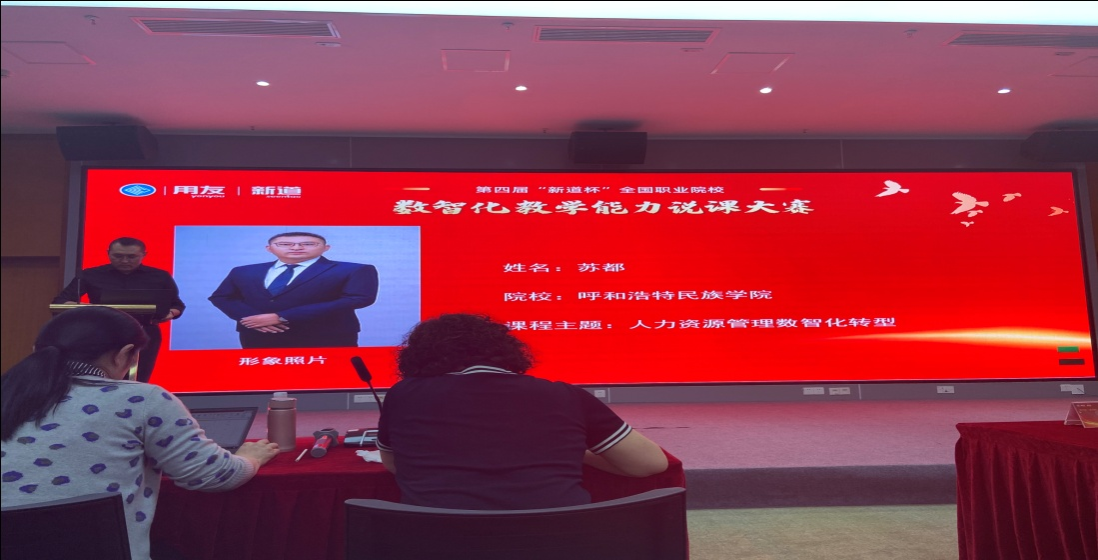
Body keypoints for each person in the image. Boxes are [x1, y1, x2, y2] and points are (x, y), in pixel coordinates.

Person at [0, 306, 280, 560]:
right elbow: (212, 474)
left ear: (36, 349)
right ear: (125, 354)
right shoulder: (141, 399)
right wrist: (250, 457)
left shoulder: (8, 393)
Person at [376, 313, 670, 510]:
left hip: (435, 543)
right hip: (560, 543)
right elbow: (649, 464)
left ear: (418, 356)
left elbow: (395, 464)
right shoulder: (564, 395)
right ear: (506, 350)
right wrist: (573, 451)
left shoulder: (405, 395)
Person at [208, 232, 379, 349]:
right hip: (258, 334)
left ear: (326, 248)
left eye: (308, 244)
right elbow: (222, 297)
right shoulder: (244, 271)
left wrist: (282, 316)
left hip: (325, 335)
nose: (296, 248)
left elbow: (358, 298)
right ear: (269, 248)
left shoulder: (353, 269)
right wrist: (252, 319)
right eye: (285, 244)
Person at [52, 237, 184, 383]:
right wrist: (92, 308)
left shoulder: (159, 276)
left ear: (143, 255)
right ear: (108, 253)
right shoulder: (90, 274)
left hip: (145, 331)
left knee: (139, 379)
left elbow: (177, 305)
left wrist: (170, 313)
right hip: (101, 332)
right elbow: (60, 302)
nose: (125, 261)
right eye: (118, 256)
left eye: (131, 257)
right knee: (99, 376)